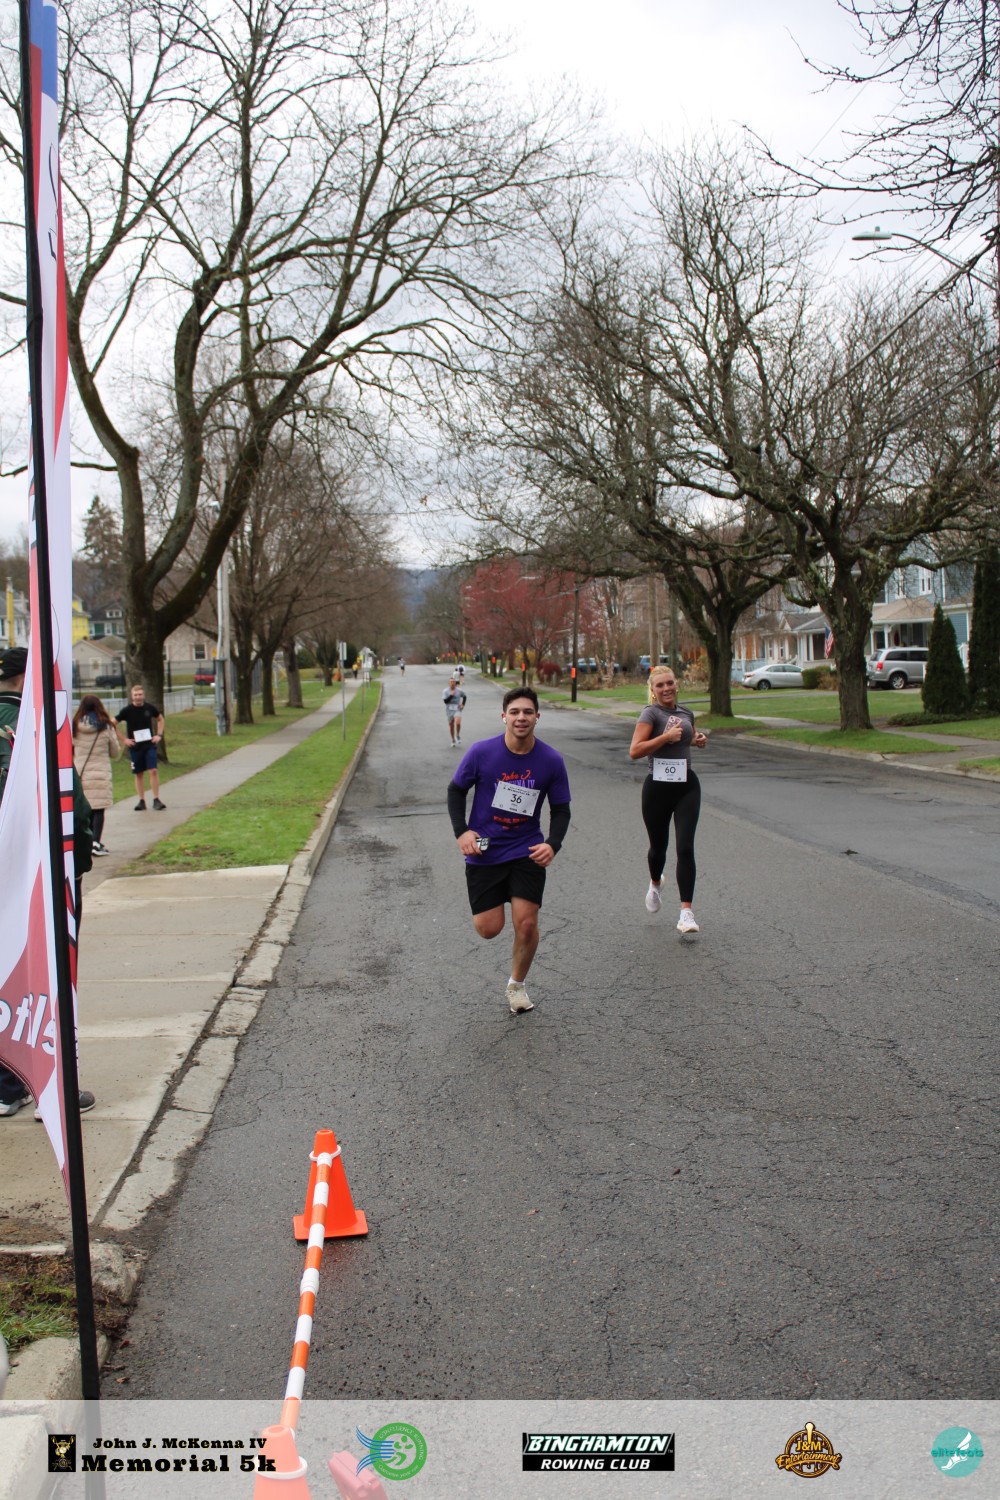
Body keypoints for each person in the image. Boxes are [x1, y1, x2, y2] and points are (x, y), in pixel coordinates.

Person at [0, 647, 95, 1116]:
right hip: (38, 870)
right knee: (50, 970)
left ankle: (6, 1086)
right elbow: (69, 797)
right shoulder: (34, 724)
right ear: (28, 678)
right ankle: (51, 1087)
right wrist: (82, 851)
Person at [447, 686, 571, 1014]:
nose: (521, 718)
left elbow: (561, 810)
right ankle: (497, 901)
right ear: (504, 716)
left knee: (526, 923)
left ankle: (517, 985)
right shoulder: (481, 752)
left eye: (527, 712)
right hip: (485, 849)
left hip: (526, 850)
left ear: (537, 717)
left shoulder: (551, 760)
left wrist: (552, 844)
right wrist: (462, 832)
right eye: (514, 712)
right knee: (488, 929)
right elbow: (456, 791)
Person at [629, 664, 707, 933]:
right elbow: (635, 750)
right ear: (653, 690)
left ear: (677, 684)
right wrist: (665, 737)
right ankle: (655, 882)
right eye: (660, 685)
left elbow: (688, 736)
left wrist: (698, 739)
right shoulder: (650, 713)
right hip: (657, 789)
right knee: (658, 848)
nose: (666, 688)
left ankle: (686, 913)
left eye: (670, 683)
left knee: (685, 847)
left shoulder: (686, 712)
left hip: (686, 786)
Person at [73, 694, 121, 854]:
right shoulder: (106, 726)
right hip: (100, 772)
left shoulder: (75, 725)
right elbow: (114, 752)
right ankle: (95, 842)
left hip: (81, 772)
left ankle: (85, 842)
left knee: (85, 809)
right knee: (99, 809)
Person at [115, 685, 166, 810]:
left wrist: (159, 735)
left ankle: (156, 799)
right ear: (132, 696)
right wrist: (124, 739)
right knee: (138, 773)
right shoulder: (127, 710)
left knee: (153, 770)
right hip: (135, 747)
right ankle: (141, 800)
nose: (138, 697)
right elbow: (112, 723)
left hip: (149, 745)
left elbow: (160, 719)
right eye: (135, 695)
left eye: (140, 695)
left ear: (143, 695)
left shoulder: (149, 708)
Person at [442, 675, 467, 745]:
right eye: (451, 682)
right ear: (449, 683)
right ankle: (453, 739)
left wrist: (463, 704)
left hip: (457, 709)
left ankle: (457, 735)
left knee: (458, 722)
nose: (452, 683)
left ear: (455, 683)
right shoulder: (445, 691)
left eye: (453, 682)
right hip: (449, 710)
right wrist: (451, 695)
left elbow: (464, 696)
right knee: (451, 725)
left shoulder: (459, 690)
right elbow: (445, 701)